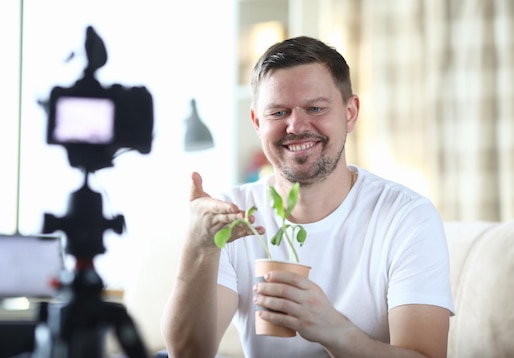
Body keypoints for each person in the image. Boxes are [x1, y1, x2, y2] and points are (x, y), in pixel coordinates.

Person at [161, 36, 455, 358]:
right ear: (257, 123)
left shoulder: (405, 217)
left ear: (350, 112)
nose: (296, 126)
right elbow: (188, 353)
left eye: (315, 108)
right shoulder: (234, 215)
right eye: (278, 113)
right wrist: (198, 247)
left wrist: (332, 329)